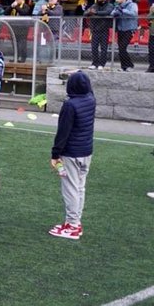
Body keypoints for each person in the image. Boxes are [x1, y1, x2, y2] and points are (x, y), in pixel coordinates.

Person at [49, 71, 95, 240]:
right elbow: (89, 88)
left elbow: (63, 132)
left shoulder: (70, 105)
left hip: (72, 153)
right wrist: (79, 73)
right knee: (79, 187)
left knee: (71, 190)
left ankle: (73, 225)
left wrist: (55, 154)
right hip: (86, 151)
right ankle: (74, 223)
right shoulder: (91, 99)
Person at [111, 0, 139, 71]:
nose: (116, 0)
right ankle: (124, 67)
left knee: (122, 47)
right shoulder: (118, 6)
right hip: (120, 29)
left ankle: (130, 65)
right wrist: (116, 13)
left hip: (129, 29)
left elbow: (134, 13)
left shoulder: (132, 5)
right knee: (120, 49)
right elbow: (112, 13)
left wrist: (123, 10)